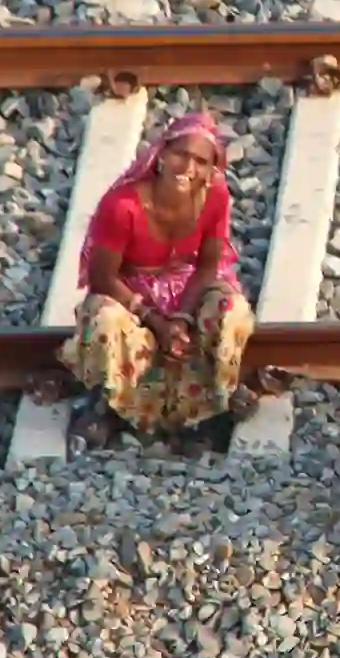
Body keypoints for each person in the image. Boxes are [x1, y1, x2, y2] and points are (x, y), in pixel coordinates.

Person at [61, 110, 255, 450]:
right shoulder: (122, 205)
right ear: (161, 154)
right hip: (131, 293)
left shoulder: (216, 197)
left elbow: (208, 265)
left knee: (231, 309)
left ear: (212, 170)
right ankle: (112, 408)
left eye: (201, 161)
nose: (188, 169)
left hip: (186, 288)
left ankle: (212, 409)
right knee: (104, 318)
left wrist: (181, 317)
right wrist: (154, 319)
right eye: (181, 154)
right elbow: (102, 277)